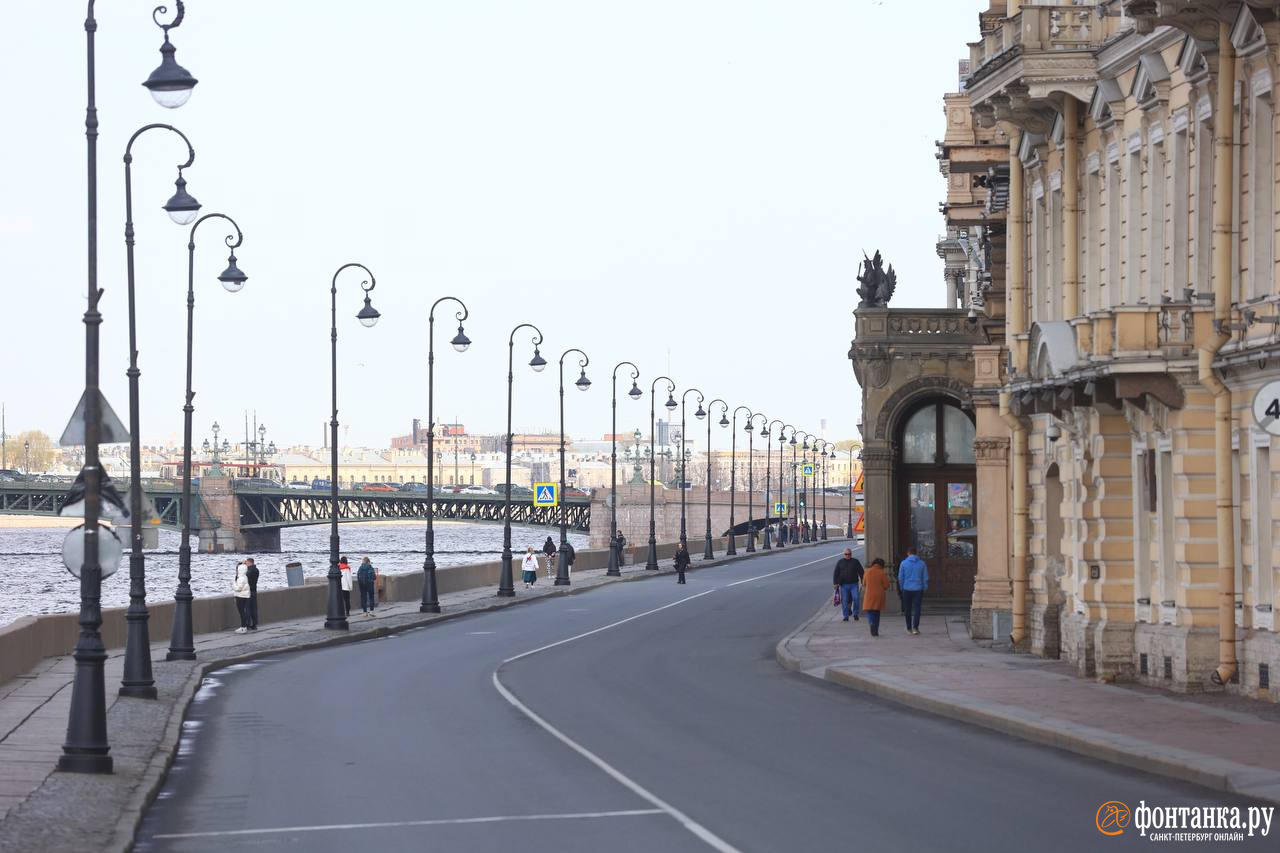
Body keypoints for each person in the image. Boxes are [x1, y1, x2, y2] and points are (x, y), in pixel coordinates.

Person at [898, 546, 929, 635]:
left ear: (908, 553)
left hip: (906, 588)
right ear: (916, 553)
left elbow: (900, 577)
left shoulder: (903, 563)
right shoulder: (922, 563)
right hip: (918, 588)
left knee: (907, 609)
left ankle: (909, 628)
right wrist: (925, 587)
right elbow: (925, 577)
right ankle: (915, 627)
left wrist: (901, 587)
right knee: (917, 608)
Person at [832, 548, 864, 622]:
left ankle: (855, 613)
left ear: (851, 554)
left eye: (849, 554)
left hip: (854, 584)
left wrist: (863, 581)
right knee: (845, 600)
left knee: (856, 598)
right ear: (844, 555)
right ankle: (846, 616)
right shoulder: (840, 562)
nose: (847, 556)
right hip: (844, 585)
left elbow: (861, 572)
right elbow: (836, 573)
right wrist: (835, 583)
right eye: (846, 554)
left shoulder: (855, 562)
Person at [862, 558, 891, 637]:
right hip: (879, 595)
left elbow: (864, 583)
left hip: (869, 595)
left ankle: (871, 623)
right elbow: (886, 585)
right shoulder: (882, 573)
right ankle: (876, 629)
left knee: (870, 611)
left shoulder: (867, 572)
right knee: (877, 612)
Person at [232, 562, 251, 634]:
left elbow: (238, 589)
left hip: (240, 596)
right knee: (243, 611)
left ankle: (243, 627)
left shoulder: (241, 578)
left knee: (242, 612)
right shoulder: (245, 577)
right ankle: (243, 627)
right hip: (245, 595)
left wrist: (232, 584)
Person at [244, 557, 259, 631]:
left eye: (246, 563)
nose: (245, 564)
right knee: (254, 608)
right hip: (254, 591)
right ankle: (255, 624)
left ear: (250, 562)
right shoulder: (256, 570)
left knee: (248, 608)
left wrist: (241, 566)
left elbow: (245, 577)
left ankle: (247, 624)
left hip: (248, 591)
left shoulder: (250, 571)